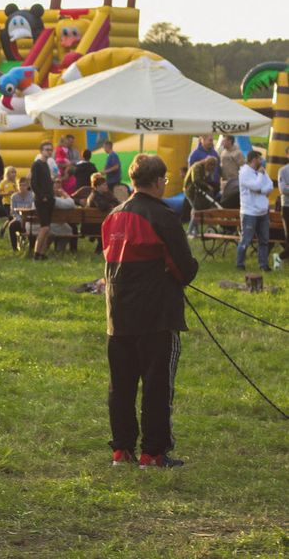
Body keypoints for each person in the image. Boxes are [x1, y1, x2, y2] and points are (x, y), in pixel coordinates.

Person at [101, 154, 198, 468]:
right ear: (159, 182)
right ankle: (153, 453)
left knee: (122, 385)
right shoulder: (162, 215)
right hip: (156, 315)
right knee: (157, 386)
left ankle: (122, 450)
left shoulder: (112, 216)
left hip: (118, 313)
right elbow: (184, 267)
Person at [237, 150, 273, 271]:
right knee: (245, 240)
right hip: (249, 212)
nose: (261, 161)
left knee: (264, 240)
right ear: (253, 159)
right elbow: (256, 186)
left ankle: (263, 265)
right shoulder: (244, 173)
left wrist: (261, 190)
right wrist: (261, 178)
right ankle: (240, 264)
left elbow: (270, 185)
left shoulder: (262, 171)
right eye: (259, 158)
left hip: (263, 212)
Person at [30, 142, 56, 260]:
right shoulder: (37, 164)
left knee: (47, 228)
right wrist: (41, 196)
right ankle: (36, 253)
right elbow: (33, 183)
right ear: (41, 151)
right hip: (41, 200)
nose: (49, 152)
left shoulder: (46, 165)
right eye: (47, 150)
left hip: (50, 199)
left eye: (50, 150)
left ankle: (42, 253)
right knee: (44, 227)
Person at [3, 176, 34, 251]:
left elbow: (33, 209)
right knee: (11, 225)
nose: (22, 187)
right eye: (20, 185)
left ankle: (32, 247)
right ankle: (15, 248)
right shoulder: (14, 197)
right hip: (19, 219)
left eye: (24, 185)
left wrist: (26, 220)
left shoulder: (32, 196)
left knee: (34, 227)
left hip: (30, 220)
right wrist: (21, 220)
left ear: (28, 186)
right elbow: (13, 211)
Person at [217, 135, 245, 201]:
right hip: (224, 182)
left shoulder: (238, 153)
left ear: (230, 141)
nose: (222, 143)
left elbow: (243, 168)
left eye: (224, 141)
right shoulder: (223, 152)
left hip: (234, 183)